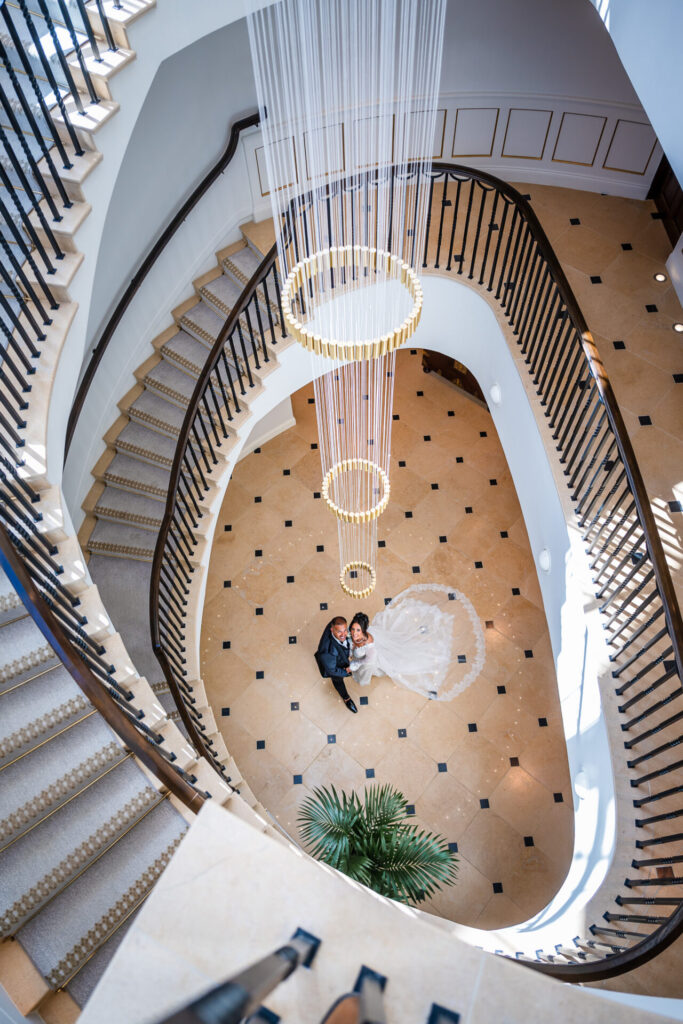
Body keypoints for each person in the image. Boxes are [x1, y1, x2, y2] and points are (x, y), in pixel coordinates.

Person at [345, 585, 486, 700]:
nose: (354, 633)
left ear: (363, 630)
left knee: (371, 667)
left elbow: (366, 661)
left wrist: (354, 665)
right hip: (366, 655)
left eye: (358, 630)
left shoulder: (370, 646)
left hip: (370, 660)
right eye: (353, 629)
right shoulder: (356, 635)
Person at [314, 616, 358, 713]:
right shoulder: (328, 652)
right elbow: (332, 670)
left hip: (340, 656)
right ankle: (346, 698)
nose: (343, 634)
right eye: (339, 632)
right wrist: (347, 672)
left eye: (345, 630)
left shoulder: (335, 623)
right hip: (334, 667)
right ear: (332, 630)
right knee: (337, 680)